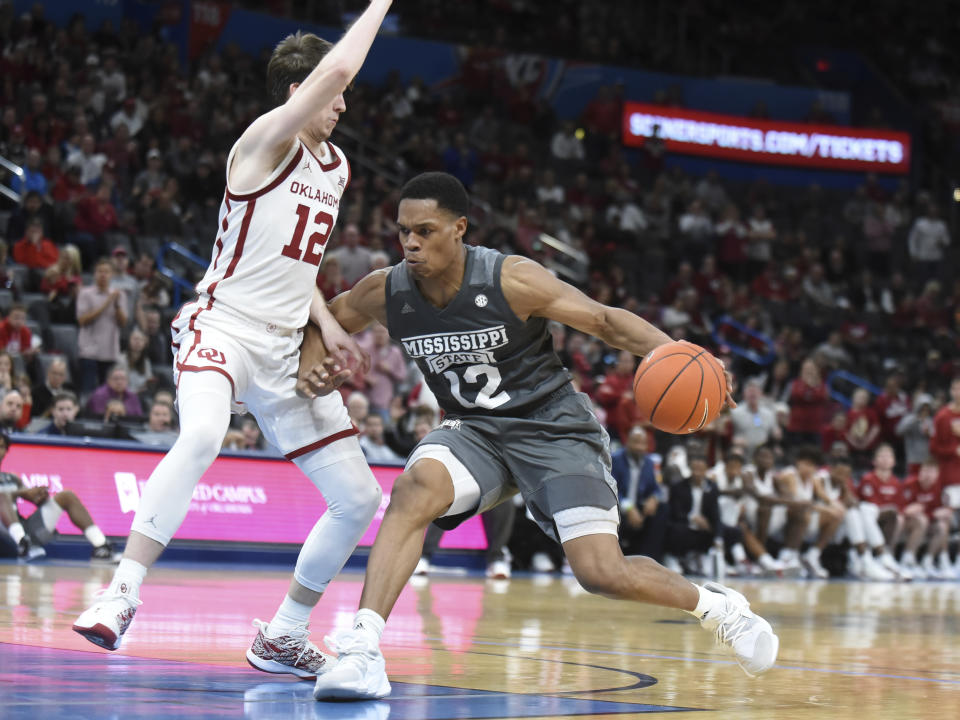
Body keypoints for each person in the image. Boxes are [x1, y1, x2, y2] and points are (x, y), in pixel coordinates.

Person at [300, 172, 778, 700]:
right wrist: (312, 368)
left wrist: (689, 358)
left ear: (459, 229)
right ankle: (363, 650)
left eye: (425, 231)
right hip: (474, 430)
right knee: (415, 490)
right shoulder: (387, 290)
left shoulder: (510, 278)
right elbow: (325, 320)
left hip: (553, 429)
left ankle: (717, 608)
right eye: (403, 232)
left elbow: (604, 321)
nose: (410, 243)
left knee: (601, 573)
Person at [73, 2, 396, 682]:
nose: (343, 105)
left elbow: (295, 262)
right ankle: (120, 594)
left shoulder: (334, 167)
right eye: (335, 95)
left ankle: (283, 635)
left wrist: (330, 326)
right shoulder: (262, 142)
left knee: (360, 499)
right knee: (201, 436)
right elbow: (337, 62)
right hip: (221, 327)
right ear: (298, 91)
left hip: (283, 349)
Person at [0, 432, 119, 562]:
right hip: (3, 535)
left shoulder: (12, 478)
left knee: (66, 496)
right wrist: (21, 493)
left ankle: (101, 547)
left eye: (1, 447)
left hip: (23, 532)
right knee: (2, 496)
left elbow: (30, 497)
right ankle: (21, 545)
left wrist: (39, 497)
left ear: (6, 451)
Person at [611, 424, 666, 561]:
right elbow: (611, 489)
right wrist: (629, 508)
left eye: (643, 443)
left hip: (639, 508)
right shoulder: (615, 459)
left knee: (662, 509)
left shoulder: (649, 462)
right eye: (636, 442)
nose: (639, 447)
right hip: (617, 507)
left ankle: (650, 558)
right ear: (627, 442)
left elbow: (656, 488)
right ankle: (612, 556)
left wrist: (654, 498)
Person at [76, 258, 127, 395]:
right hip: (89, 352)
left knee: (108, 394)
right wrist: (107, 301)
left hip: (110, 353)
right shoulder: (85, 293)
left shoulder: (118, 295)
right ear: (94, 274)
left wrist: (116, 304)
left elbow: (123, 323)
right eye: (100, 271)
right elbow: (82, 320)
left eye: (106, 272)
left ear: (112, 275)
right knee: (88, 393)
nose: (103, 275)